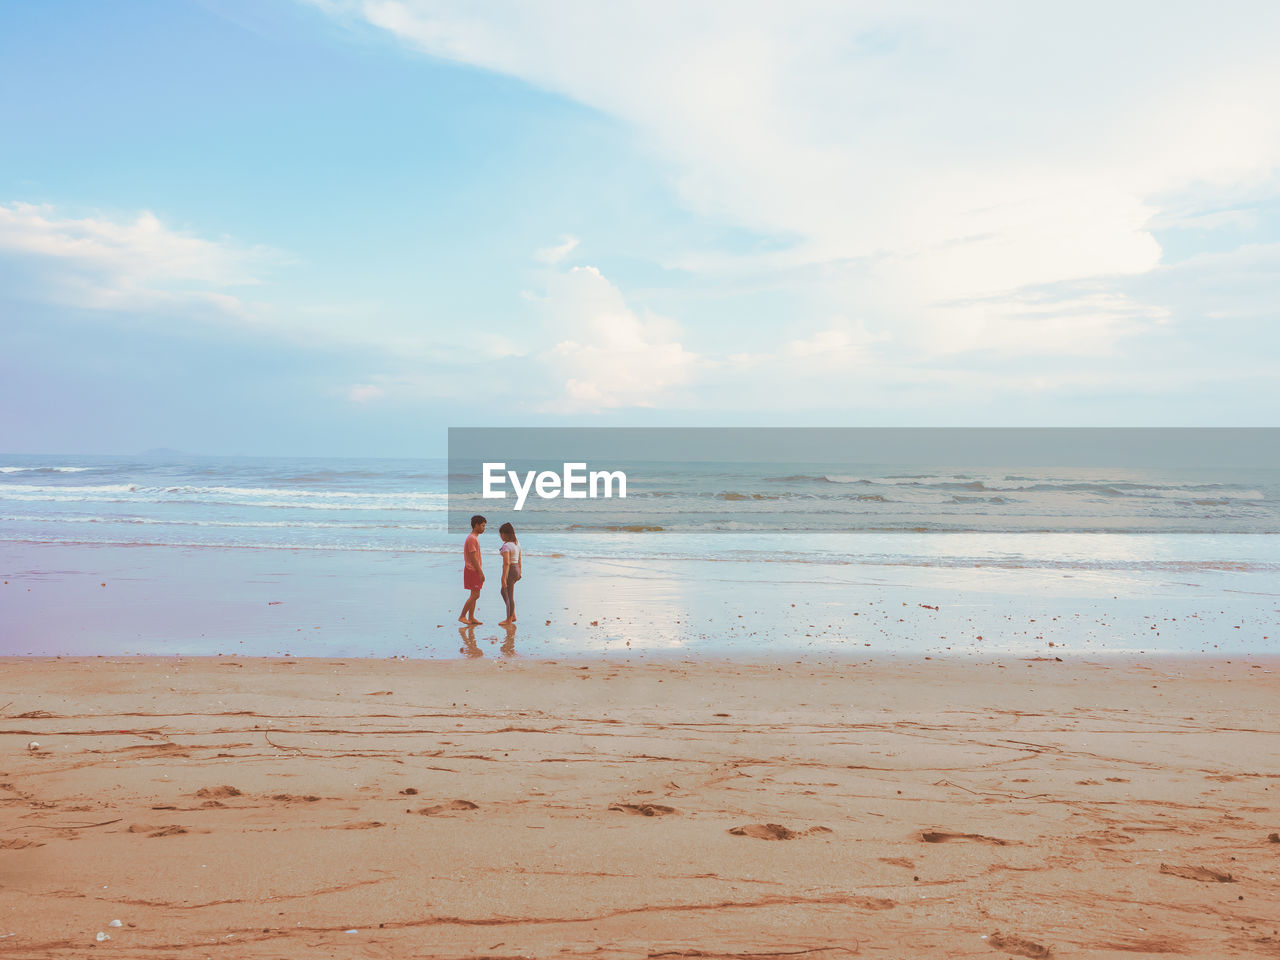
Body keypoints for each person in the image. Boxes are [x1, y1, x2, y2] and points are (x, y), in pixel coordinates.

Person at [458, 514, 486, 625]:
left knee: (474, 594)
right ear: (476, 525)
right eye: (483, 526)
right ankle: (462, 616)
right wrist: (480, 572)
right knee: (475, 595)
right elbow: (473, 557)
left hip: (473, 569)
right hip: (472, 570)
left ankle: (471, 617)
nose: (484, 528)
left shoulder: (474, 538)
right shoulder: (471, 539)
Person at [497, 521, 522, 626]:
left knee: (508, 595)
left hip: (510, 570)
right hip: (516, 569)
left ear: (505, 534)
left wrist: (503, 578)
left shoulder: (506, 546)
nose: (500, 536)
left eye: (501, 534)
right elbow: (519, 558)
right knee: (504, 592)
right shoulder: (516, 543)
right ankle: (513, 615)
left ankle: (509, 619)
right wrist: (520, 571)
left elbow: (506, 563)